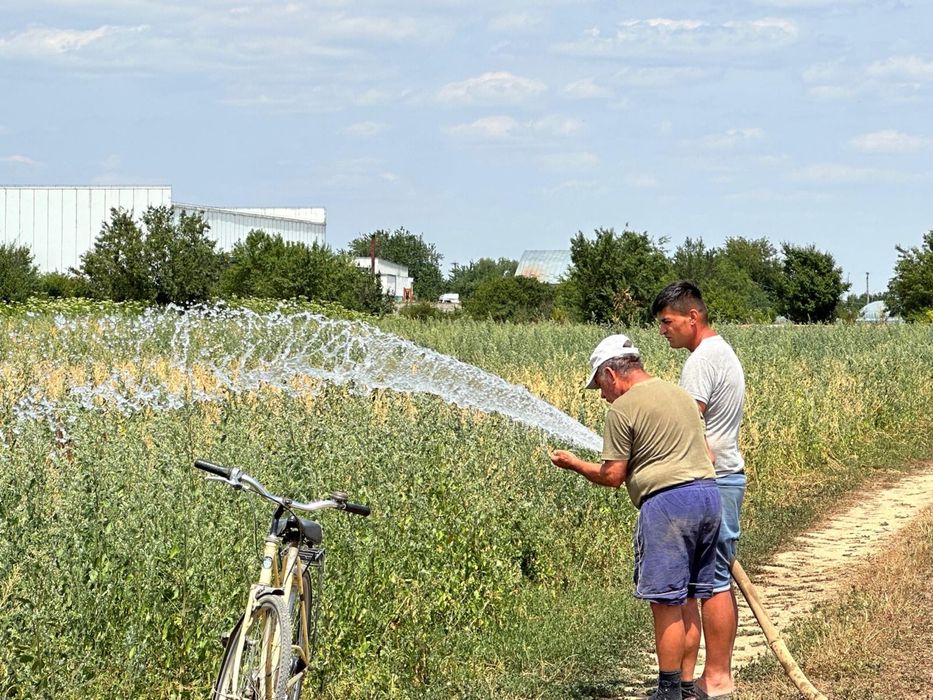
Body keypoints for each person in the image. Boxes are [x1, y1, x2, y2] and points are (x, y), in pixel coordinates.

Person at [550, 334, 721, 700]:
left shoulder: (623, 408)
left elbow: (612, 476)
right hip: (708, 497)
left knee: (666, 603)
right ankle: (688, 689)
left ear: (611, 373)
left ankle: (668, 691)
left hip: (668, 506)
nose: (601, 394)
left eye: (599, 384)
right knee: (691, 598)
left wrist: (574, 464)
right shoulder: (679, 394)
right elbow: (707, 453)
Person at [651, 281, 746, 700]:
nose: (663, 330)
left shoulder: (701, 361)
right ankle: (709, 677)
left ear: (693, 317)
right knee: (714, 579)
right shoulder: (719, 352)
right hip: (725, 477)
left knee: (713, 582)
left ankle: (717, 678)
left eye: (668, 322)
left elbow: (688, 427)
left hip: (714, 479)